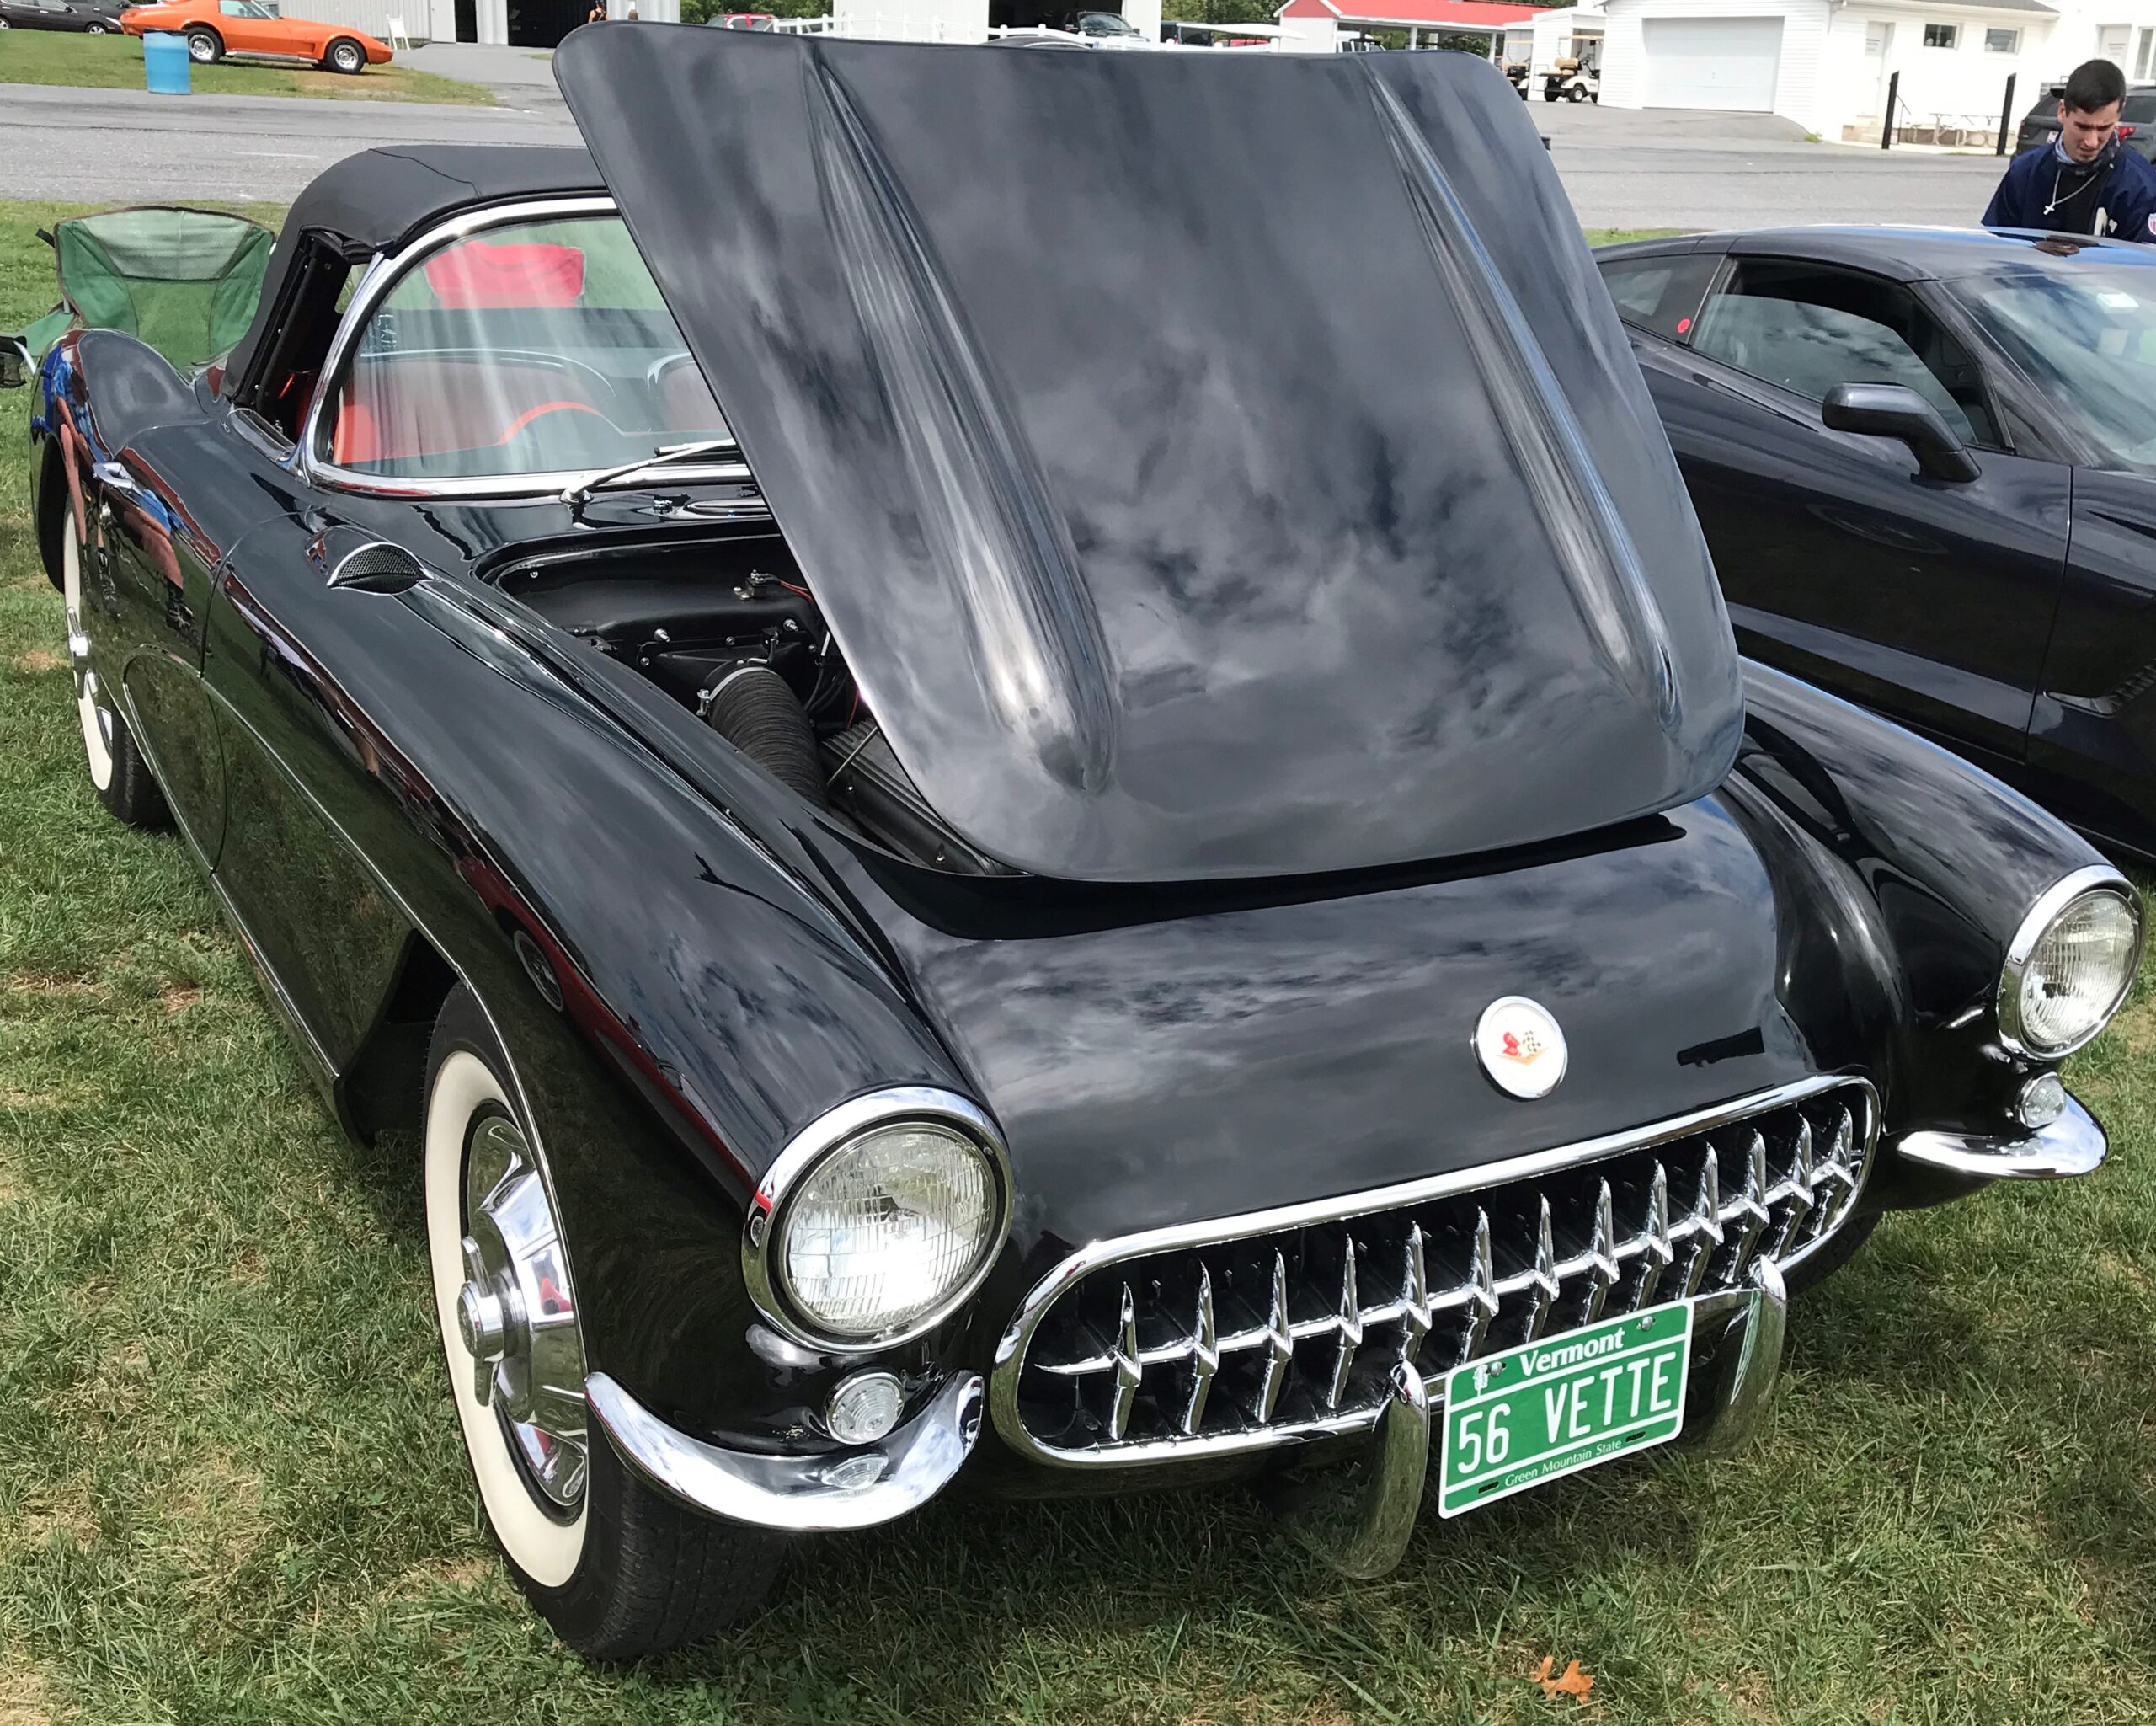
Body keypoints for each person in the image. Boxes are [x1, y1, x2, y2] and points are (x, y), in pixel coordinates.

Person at [1983, 58, 2156, 241]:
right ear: (2062, 111)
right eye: (2082, 127)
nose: (2091, 142)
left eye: (2103, 128)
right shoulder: (2025, 171)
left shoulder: (2140, 183)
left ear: (2118, 117)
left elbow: (2144, 263)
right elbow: (1995, 246)